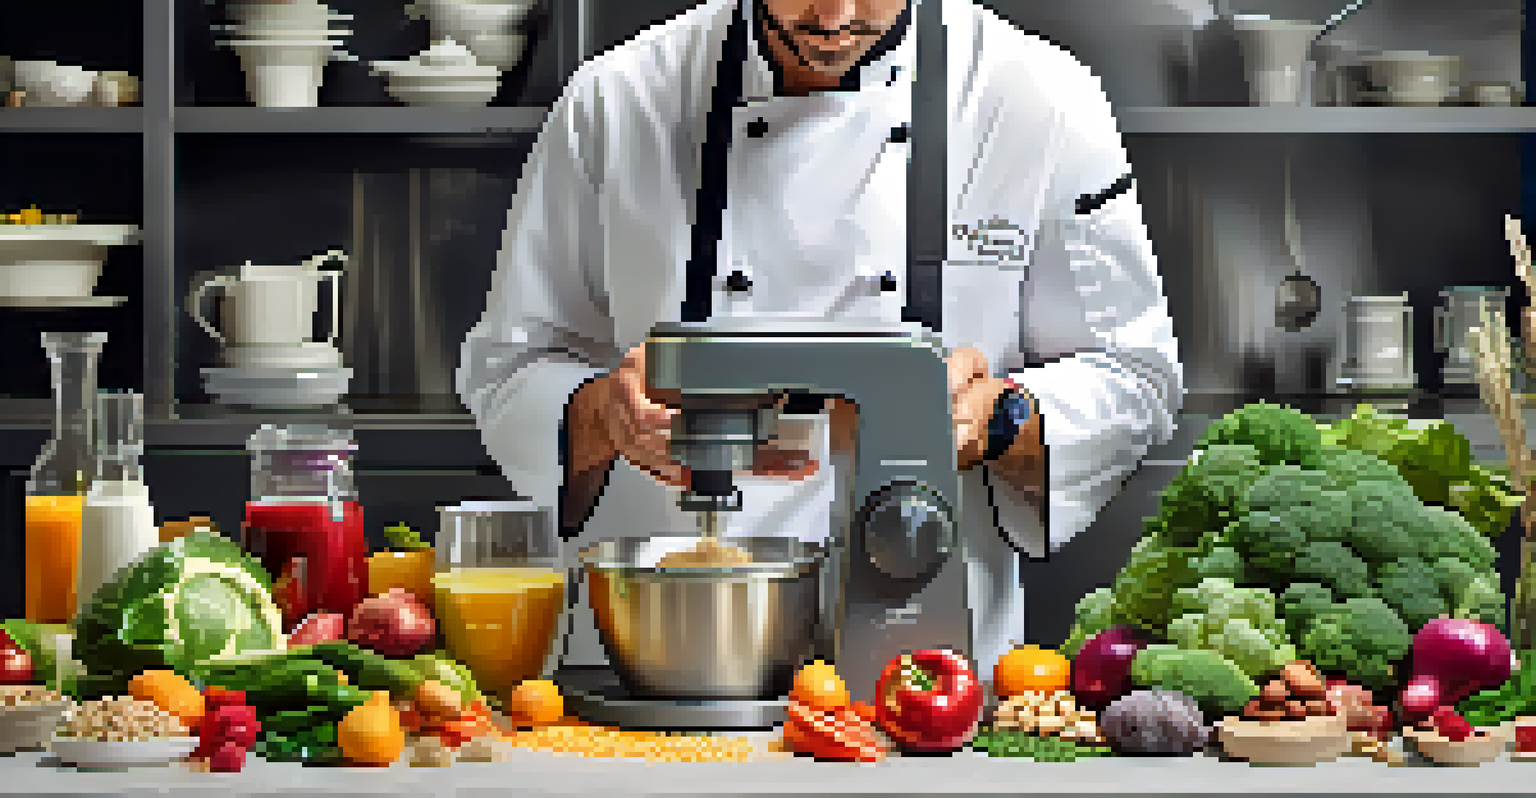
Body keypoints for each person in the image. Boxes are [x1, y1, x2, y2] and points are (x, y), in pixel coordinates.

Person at [457, 0, 1184, 688]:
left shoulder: (1037, 100)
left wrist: (999, 419)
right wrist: (600, 415)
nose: (835, 18)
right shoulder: (617, 100)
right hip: (657, 653)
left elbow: (1135, 377)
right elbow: (509, 366)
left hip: (926, 683)